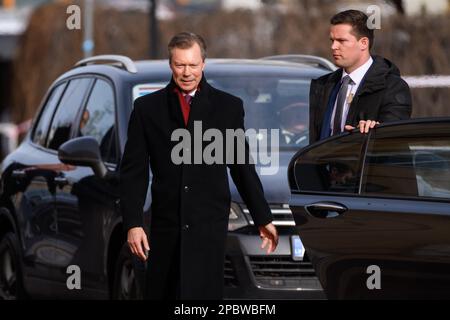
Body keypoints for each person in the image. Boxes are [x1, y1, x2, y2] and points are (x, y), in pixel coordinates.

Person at [119, 32, 278, 300]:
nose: (187, 72)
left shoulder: (228, 108)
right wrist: (133, 223)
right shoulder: (147, 109)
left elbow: (241, 166)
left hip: (208, 228)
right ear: (171, 65)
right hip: (166, 227)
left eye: (193, 65)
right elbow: (133, 171)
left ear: (203, 64)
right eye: (180, 65)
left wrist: (263, 216)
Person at [309, 9, 412, 144]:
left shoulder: (393, 87)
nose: (333, 46)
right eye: (332, 40)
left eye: (341, 40)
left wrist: (371, 132)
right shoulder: (323, 86)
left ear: (363, 43)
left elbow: (395, 139)